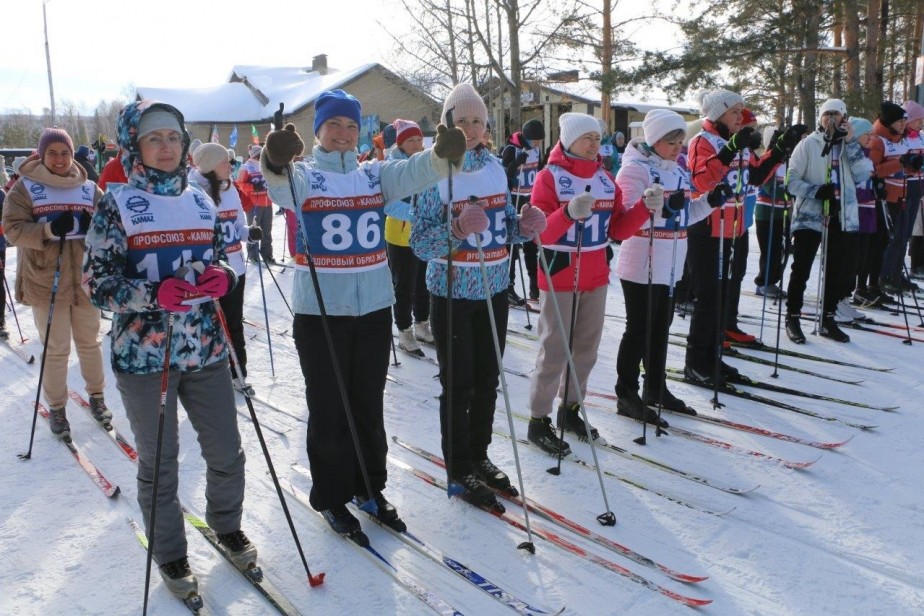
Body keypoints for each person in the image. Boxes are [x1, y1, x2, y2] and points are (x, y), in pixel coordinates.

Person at [260, 89, 466, 537]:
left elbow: (414, 171)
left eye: (351, 126)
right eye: (333, 125)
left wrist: (439, 155)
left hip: (373, 308)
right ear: (318, 131)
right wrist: (276, 160)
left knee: (368, 403)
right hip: (321, 313)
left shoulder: (374, 176)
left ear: (361, 133)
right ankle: (332, 495)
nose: (343, 133)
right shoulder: (308, 177)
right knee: (329, 404)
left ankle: (369, 486)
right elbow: (280, 184)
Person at [83, 100, 255, 599]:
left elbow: (221, 255)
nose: (166, 147)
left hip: (205, 348)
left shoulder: (202, 199)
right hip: (145, 357)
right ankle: (171, 552)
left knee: (227, 451)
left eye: (174, 138)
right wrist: (150, 295)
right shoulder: (116, 203)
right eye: (154, 139)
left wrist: (224, 274)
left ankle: (226, 524)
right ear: (135, 146)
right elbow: (96, 283)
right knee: (160, 464)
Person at [411, 83, 546, 508]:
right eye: (461, 120)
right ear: (446, 123)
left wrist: (523, 226)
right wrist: (454, 230)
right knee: (459, 384)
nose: (470, 128)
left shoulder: (493, 167)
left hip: (493, 285)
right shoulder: (433, 169)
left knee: (489, 379)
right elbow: (420, 243)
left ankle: (479, 455)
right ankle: (458, 466)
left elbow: (503, 225)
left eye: (477, 121)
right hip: (451, 291)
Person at [524, 112, 650, 455]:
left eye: (597, 138)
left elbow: (618, 230)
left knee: (586, 350)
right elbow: (540, 231)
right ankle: (538, 419)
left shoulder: (606, 178)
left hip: (595, 274)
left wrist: (643, 209)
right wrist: (566, 214)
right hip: (560, 273)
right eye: (587, 138)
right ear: (569, 140)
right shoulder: (549, 178)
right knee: (554, 348)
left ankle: (570, 410)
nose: (595, 144)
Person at [683, 88, 802, 386]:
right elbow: (701, 181)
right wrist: (730, 149)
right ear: (718, 113)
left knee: (722, 296)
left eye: (741, 111)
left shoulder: (739, 142)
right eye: (735, 111)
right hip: (707, 229)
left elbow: (756, 176)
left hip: (734, 229)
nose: (741, 117)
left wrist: (779, 150)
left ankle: (712, 358)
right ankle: (696, 363)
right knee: (708, 299)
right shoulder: (703, 141)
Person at [3, 128, 109, 439]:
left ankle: (98, 398)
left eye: (65, 152)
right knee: (56, 348)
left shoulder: (88, 187)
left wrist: (97, 226)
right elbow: (11, 229)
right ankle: (58, 407)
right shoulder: (25, 188)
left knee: (90, 343)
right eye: (53, 153)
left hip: (84, 280)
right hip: (46, 279)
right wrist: (48, 230)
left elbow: (109, 225)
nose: (60, 159)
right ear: (41, 154)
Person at [614, 110, 718, 424]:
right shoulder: (634, 170)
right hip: (641, 261)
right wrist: (658, 208)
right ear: (654, 139)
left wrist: (711, 201)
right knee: (639, 330)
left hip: (671, 262)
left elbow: (685, 215)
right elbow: (628, 217)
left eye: (679, 141)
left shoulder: (678, 170)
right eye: (670, 141)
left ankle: (655, 387)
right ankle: (626, 392)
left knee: (661, 330)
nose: (677, 147)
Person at [783, 99, 872, 344]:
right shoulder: (808, 144)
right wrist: (815, 190)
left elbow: (863, 174)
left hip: (841, 215)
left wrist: (852, 142)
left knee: (836, 270)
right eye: (827, 114)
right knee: (801, 267)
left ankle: (828, 317)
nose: (831, 119)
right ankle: (792, 315)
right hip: (810, 215)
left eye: (837, 114)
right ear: (820, 118)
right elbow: (791, 181)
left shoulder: (848, 146)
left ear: (845, 118)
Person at [189, 143, 261, 389]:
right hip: (208, 272)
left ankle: (237, 373)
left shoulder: (230, 188)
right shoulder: (193, 192)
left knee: (234, 322)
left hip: (236, 268)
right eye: (224, 162)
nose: (230, 166)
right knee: (209, 325)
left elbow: (238, 225)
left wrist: (249, 232)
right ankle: (208, 376)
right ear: (209, 165)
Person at [384, 119, 434, 356]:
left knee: (424, 282)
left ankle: (422, 323)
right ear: (401, 143)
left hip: (423, 233)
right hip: (400, 234)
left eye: (418, 139)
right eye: (410, 140)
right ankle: (404, 330)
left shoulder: (425, 163)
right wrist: (418, 215)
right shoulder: (393, 166)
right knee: (404, 285)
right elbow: (390, 205)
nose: (416, 144)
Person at [873, 102, 923, 296]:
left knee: (904, 235)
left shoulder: (908, 138)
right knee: (895, 236)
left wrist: (914, 165)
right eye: (918, 120)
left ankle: (895, 272)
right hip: (895, 191)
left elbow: (905, 164)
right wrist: (904, 164)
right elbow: (878, 169)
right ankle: (885, 275)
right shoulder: (883, 139)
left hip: (911, 188)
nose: (920, 124)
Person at [500, 119, 544, 304]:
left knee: (531, 245)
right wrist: (517, 163)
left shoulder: (537, 150)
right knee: (512, 246)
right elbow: (504, 175)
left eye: (539, 141)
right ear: (526, 137)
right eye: (534, 140)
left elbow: (539, 170)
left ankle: (535, 285)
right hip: (513, 199)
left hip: (529, 198)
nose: (537, 144)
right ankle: (509, 286)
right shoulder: (511, 149)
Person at [753, 126, 791, 299]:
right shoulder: (768, 161)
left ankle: (772, 281)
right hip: (767, 211)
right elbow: (768, 187)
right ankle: (763, 282)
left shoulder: (786, 162)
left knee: (780, 249)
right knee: (770, 249)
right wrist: (789, 191)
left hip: (783, 212)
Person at [237, 145, 276, 264]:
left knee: (267, 231)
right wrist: (253, 187)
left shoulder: (266, 166)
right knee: (254, 230)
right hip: (253, 204)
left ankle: (267, 254)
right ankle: (253, 254)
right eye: (262, 154)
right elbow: (240, 184)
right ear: (256, 154)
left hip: (267, 202)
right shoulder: (246, 167)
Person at [903, 101, 924, 278]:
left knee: (913, 228)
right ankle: (915, 264)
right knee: (911, 229)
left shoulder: (920, 137)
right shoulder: (902, 137)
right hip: (906, 185)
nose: (921, 124)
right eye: (918, 120)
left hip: (919, 185)